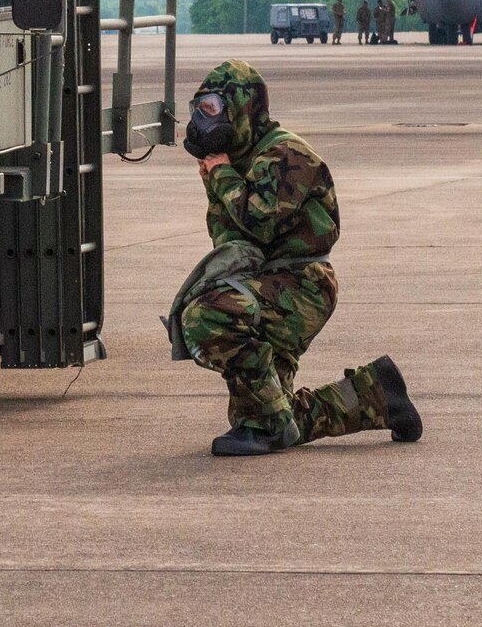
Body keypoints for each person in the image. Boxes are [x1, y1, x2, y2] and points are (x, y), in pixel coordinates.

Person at [169, 59, 423, 456]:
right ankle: (380, 395)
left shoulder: (287, 154)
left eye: (214, 110)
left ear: (243, 108)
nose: (203, 121)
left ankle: (270, 424)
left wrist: (221, 175)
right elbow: (231, 240)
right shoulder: (241, 160)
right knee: (269, 413)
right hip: (272, 281)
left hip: (302, 284)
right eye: (199, 111)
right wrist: (217, 178)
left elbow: (259, 222)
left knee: (209, 315)